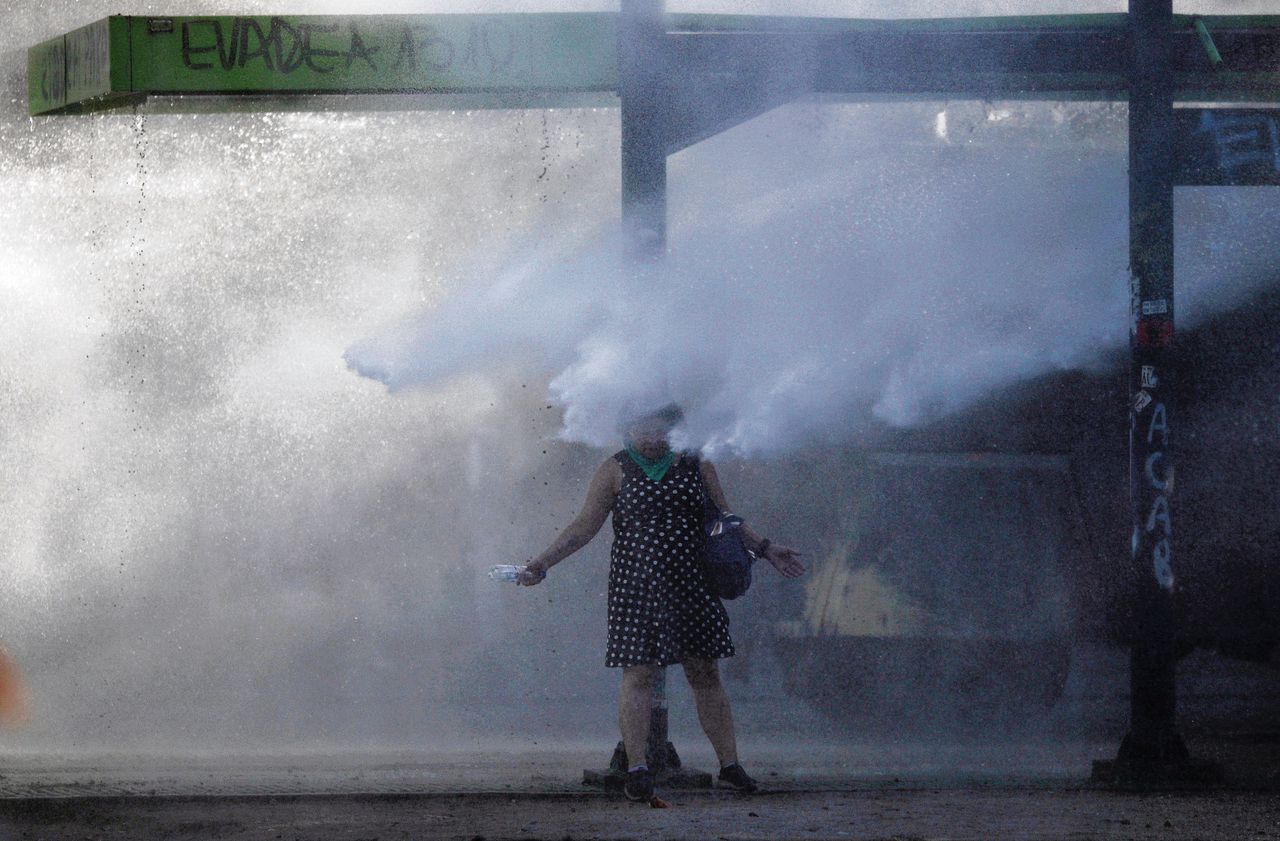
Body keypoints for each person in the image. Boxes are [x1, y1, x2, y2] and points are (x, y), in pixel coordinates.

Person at [517, 403, 805, 802]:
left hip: (692, 584)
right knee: (639, 674)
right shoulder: (614, 470)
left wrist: (767, 549)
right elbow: (583, 528)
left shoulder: (696, 463)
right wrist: (542, 563)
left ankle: (730, 766)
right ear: (627, 431)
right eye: (643, 431)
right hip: (637, 588)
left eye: (660, 431)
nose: (652, 440)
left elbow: (726, 518)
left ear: (675, 431)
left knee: (705, 672)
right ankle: (638, 769)